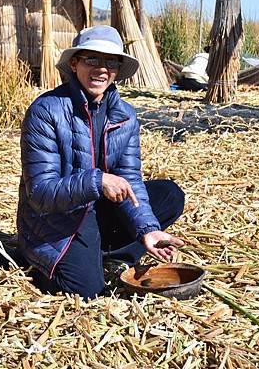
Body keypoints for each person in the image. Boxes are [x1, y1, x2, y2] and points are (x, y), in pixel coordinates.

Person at [17, 25, 185, 299]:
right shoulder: (45, 111)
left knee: (169, 195)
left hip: (99, 209)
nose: (101, 69)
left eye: (110, 62)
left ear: (118, 68)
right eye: (92, 59)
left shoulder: (125, 115)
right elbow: (40, 193)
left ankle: (108, 252)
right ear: (74, 63)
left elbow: (130, 179)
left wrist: (148, 230)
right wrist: (98, 181)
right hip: (58, 218)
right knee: (87, 290)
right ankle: (39, 258)